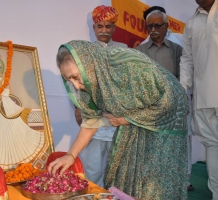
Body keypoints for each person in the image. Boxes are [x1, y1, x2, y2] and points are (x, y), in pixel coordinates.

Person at [49, 40, 188, 199]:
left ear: (87, 63)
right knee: (125, 178)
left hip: (166, 123)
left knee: (153, 184)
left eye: (75, 77)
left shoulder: (127, 64)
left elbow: (169, 99)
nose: (77, 85)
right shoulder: (92, 81)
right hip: (134, 123)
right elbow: (91, 122)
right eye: (69, 80)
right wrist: (71, 155)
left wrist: (127, 119)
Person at [136, 6, 194, 191]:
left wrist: (182, 100)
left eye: (157, 26)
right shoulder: (140, 50)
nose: (153, 30)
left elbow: (183, 77)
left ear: (166, 26)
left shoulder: (177, 49)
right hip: (151, 106)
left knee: (180, 142)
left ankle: (183, 180)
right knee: (152, 143)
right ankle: (154, 181)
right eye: (149, 26)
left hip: (175, 105)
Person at [75, 5, 127, 188]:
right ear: (94, 28)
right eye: (100, 26)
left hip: (117, 120)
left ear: (114, 28)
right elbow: (76, 82)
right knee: (92, 170)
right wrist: (77, 107)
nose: (104, 30)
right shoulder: (85, 51)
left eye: (108, 26)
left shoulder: (124, 50)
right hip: (94, 119)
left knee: (117, 172)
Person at [180, 0, 218, 199]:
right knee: (212, 146)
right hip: (204, 97)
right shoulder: (192, 23)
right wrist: (183, 89)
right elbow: (187, 59)